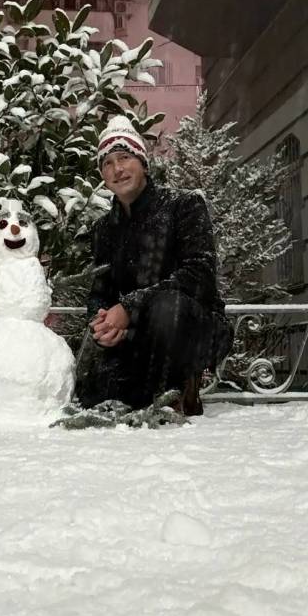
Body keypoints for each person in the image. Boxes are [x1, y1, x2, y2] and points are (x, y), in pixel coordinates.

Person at [76, 116, 233, 415]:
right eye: (107, 163)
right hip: (135, 337)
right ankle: (152, 392)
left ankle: (182, 386)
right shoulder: (104, 229)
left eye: (124, 157)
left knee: (166, 308)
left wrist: (129, 307)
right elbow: (100, 289)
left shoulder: (183, 205)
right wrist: (103, 323)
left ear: (143, 163)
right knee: (94, 395)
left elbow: (199, 275)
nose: (117, 169)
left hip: (191, 326)